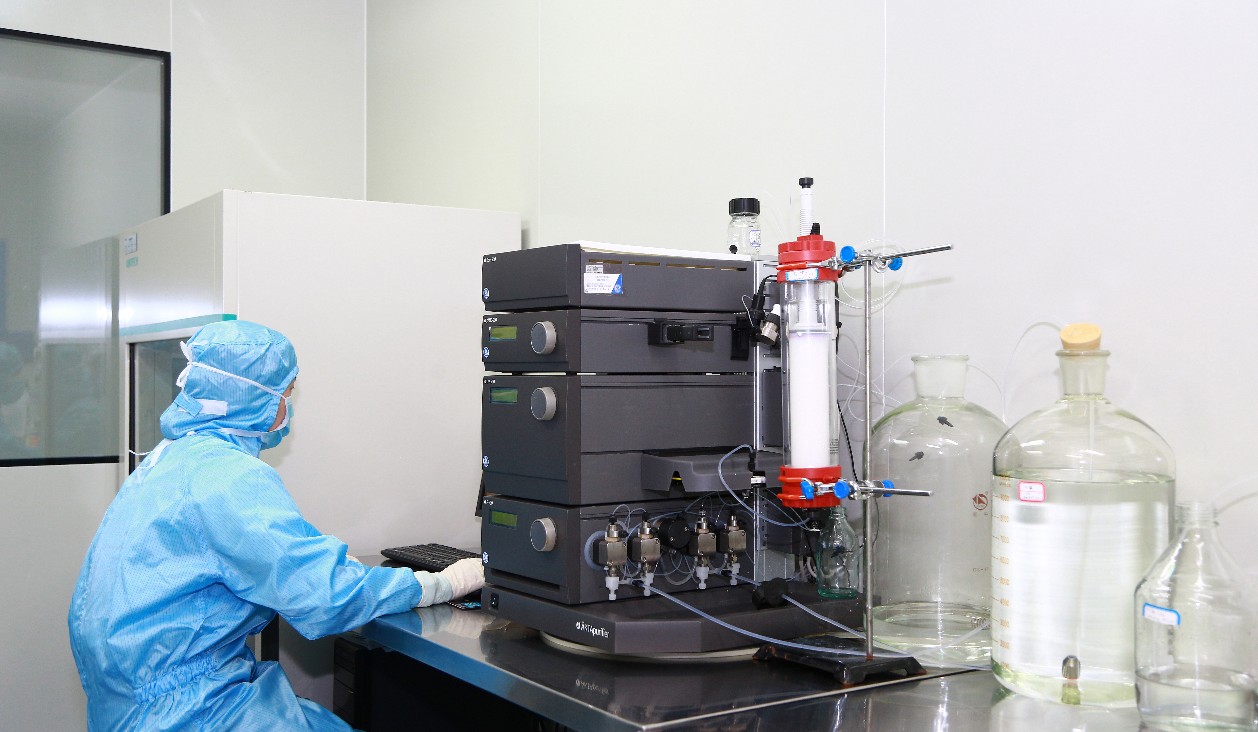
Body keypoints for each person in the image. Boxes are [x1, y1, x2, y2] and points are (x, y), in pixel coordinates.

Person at [68, 320, 483, 730]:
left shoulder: (171, 457)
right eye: (286, 393)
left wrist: (323, 563)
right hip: (189, 711)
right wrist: (443, 584)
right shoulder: (227, 476)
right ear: (253, 397)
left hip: (133, 705)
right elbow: (327, 596)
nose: (288, 407)